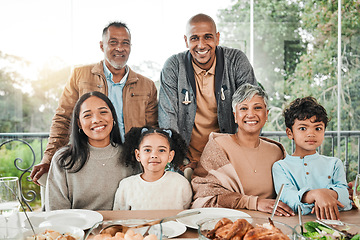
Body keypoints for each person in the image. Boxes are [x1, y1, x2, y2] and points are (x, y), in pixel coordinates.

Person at [31, 21, 158, 184]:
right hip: (89, 159)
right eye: (113, 42)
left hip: (131, 163)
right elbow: (63, 119)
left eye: (125, 43)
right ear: (101, 45)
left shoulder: (147, 85)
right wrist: (48, 158)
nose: (120, 48)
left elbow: (152, 130)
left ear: (130, 46)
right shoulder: (79, 75)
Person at [158, 13, 257, 172]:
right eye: (194, 38)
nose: (201, 45)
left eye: (208, 37)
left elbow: (251, 108)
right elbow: (167, 117)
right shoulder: (173, 67)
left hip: (229, 160)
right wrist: (179, 160)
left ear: (217, 38)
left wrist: (239, 157)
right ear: (186, 41)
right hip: (187, 161)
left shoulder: (236, 61)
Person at [191, 83, 294, 216]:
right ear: (235, 115)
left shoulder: (277, 151)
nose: (251, 114)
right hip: (228, 222)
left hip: (270, 224)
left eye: (257, 108)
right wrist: (254, 203)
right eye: (244, 108)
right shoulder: (218, 146)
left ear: (266, 114)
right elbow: (204, 196)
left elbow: (290, 193)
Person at [45, 91, 139, 210]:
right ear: (79, 123)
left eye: (103, 112)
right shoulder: (63, 159)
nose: (96, 120)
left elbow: (139, 205)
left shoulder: (130, 156)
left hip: (122, 227)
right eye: (87, 115)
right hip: (75, 227)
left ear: (112, 117)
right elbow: (56, 212)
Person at [272, 96, 352, 220]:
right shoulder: (281, 167)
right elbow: (288, 198)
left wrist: (325, 194)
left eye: (318, 128)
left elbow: (345, 199)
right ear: (290, 133)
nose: (311, 133)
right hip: (297, 225)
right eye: (303, 128)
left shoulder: (335, 163)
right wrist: (315, 195)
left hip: (335, 224)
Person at [113, 127, 192, 210]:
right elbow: (118, 217)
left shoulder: (180, 183)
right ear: (138, 155)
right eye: (147, 150)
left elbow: (187, 216)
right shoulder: (127, 186)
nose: (154, 155)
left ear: (170, 156)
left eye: (161, 150)